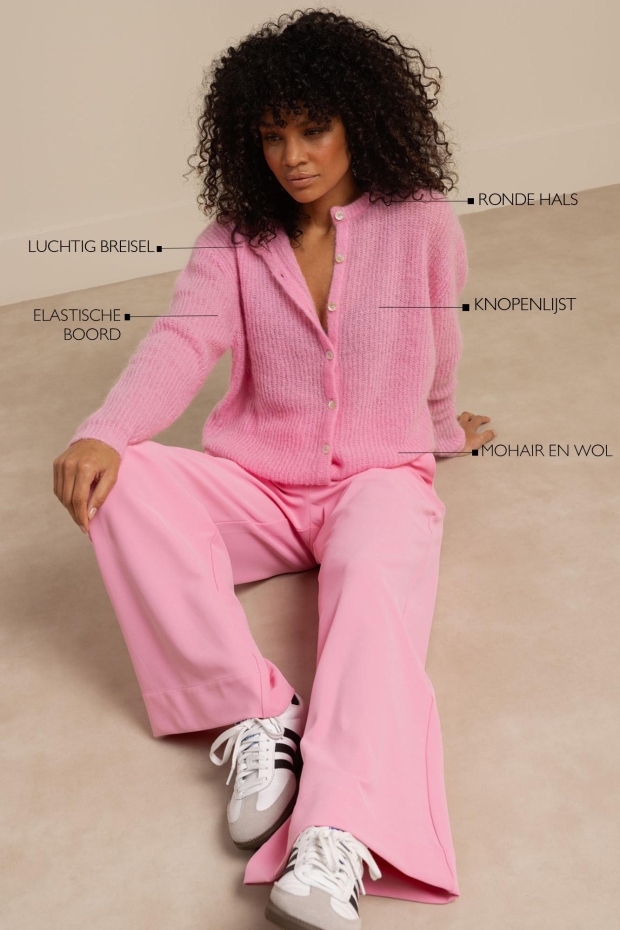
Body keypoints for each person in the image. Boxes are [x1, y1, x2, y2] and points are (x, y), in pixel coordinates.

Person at [53, 9, 494, 929]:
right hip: (258, 484)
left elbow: (439, 343)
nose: (292, 156)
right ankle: (258, 715)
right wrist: (106, 431)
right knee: (123, 481)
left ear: (359, 120)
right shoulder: (236, 239)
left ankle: (335, 835)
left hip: (378, 478)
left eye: (313, 129)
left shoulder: (421, 222)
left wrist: (442, 432)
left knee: (370, 604)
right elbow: (183, 342)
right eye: (271, 136)